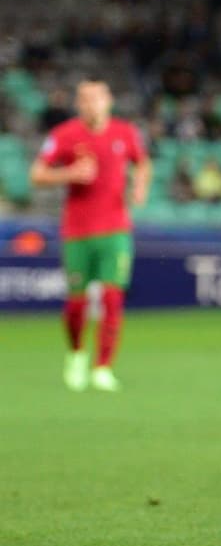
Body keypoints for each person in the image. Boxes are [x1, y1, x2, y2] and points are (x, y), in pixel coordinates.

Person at [29, 77, 151, 392]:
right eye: (84, 99)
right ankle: (76, 353)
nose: (90, 104)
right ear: (77, 103)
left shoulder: (125, 132)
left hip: (115, 229)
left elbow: (143, 163)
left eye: (96, 98)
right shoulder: (64, 135)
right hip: (77, 231)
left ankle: (102, 367)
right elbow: (37, 174)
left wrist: (139, 186)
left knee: (112, 297)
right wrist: (68, 173)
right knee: (76, 303)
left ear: (108, 101)